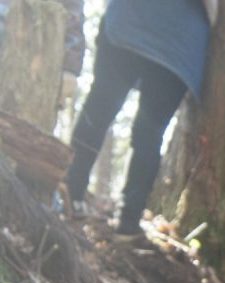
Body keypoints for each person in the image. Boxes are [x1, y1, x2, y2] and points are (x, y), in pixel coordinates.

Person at [64, 0, 216, 240]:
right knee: (149, 133)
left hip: (132, 21)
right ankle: (128, 221)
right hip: (180, 43)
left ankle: (70, 194)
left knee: (100, 108)